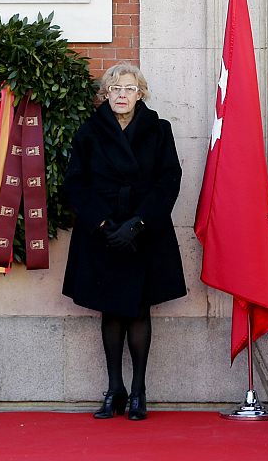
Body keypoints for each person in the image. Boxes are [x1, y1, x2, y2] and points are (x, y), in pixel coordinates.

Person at [62, 62, 185, 421]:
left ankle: (139, 390)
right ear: (106, 93)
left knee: (139, 310)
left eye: (128, 88)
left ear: (140, 93)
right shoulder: (89, 131)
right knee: (110, 309)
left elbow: (169, 180)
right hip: (102, 233)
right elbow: (76, 183)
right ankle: (114, 388)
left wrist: (139, 222)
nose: (121, 95)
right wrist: (103, 223)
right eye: (114, 88)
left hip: (145, 231)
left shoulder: (159, 130)